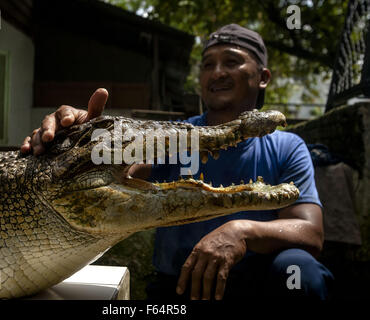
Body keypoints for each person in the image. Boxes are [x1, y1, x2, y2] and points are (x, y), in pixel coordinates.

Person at [21, 24, 334, 300]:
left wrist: (241, 231)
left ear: (263, 76)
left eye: (232, 61)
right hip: (181, 287)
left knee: (299, 269)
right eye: (208, 64)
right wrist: (73, 142)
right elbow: (109, 171)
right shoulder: (175, 139)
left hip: (258, 283)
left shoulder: (287, 146)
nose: (217, 72)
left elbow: (310, 232)